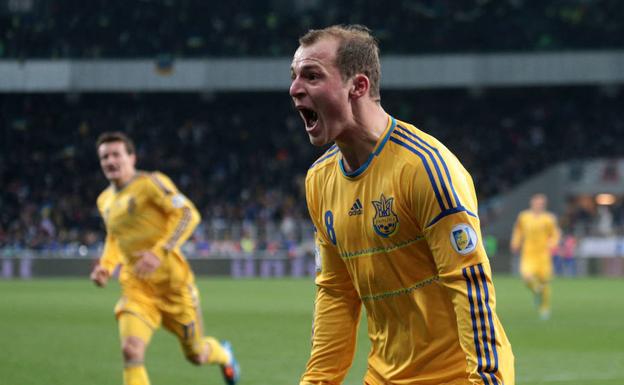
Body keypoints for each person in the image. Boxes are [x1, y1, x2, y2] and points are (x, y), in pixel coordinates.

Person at [290, 25, 514, 385]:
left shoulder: (425, 168)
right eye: (295, 76)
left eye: (312, 75)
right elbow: (336, 292)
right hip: (384, 376)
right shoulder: (319, 180)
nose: (295, 88)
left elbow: (469, 285)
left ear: (358, 86)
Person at [89, 132, 240, 385]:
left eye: (116, 154)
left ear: (132, 157)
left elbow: (188, 213)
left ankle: (224, 355)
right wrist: (105, 266)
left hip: (174, 287)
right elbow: (114, 237)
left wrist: (159, 252)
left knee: (196, 354)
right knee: (131, 351)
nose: (110, 161)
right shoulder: (104, 200)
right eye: (105, 156)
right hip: (137, 287)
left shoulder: (151, 183)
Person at [510, 193, 561, 319]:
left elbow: (555, 233)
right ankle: (536, 291)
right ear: (532, 203)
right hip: (528, 254)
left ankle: (544, 308)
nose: (539, 205)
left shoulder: (549, 218)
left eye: (541, 203)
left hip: (543, 255)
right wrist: (515, 242)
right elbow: (518, 230)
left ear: (544, 205)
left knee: (545, 282)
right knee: (527, 278)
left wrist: (553, 243)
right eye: (537, 203)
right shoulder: (524, 217)